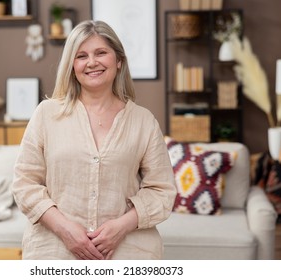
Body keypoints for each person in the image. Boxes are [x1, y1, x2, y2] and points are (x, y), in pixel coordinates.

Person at [11, 20, 177, 260]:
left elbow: (162, 191)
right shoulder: (46, 114)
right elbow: (24, 184)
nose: (92, 62)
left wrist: (121, 227)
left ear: (118, 61)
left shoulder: (144, 121)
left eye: (101, 53)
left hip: (128, 252)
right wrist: (65, 229)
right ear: (72, 66)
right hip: (54, 250)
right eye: (81, 56)